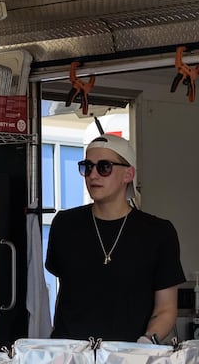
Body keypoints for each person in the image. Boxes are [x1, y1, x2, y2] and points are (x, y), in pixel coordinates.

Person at [45, 134, 185, 343]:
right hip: (71, 357)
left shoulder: (158, 232)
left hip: (128, 359)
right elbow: (63, 295)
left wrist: (146, 342)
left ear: (128, 174)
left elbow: (166, 308)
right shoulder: (65, 224)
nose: (93, 175)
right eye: (87, 167)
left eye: (104, 167)